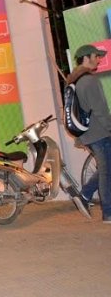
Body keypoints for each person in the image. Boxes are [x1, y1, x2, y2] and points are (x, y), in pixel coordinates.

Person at [69, 44, 111, 223]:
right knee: (107, 172)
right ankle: (108, 212)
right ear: (87, 57)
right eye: (96, 56)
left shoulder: (75, 79)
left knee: (106, 168)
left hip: (88, 134)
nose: (99, 59)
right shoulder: (89, 80)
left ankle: (84, 195)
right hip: (99, 133)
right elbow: (100, 109)